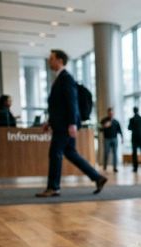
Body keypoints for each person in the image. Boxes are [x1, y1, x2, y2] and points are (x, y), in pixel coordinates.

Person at [36, 49, 107, 197]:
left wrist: (72, 123)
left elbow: (72, 102)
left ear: (60, 61)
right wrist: (49, 121)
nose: (49, 61)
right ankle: (97, 177)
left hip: (64, 126)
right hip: (62, 124)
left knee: (55, 153)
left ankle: (53, 187)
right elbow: (58, 106)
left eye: (51, 58)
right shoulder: (60, 78)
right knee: (70, 153)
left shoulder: (66, 78)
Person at [100, 107, 123, 172]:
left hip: (114, 139)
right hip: (106, 139)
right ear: (108, 113)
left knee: (115, 153)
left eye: (112, 113)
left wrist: (122, 138)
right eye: (109, 113)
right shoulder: (104, 120)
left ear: (113, 113)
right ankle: (105, 166)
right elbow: (100, 129)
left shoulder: (116, 121)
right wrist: (104, 126)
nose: (111, 114)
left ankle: (115, 167)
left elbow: (120, 130)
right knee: (106, 153)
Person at [127, 107, 141, 172]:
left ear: (133, 111)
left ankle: (136, 167)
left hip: (135, 139)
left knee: (135, 153)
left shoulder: (132, 119)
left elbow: (129, 128)